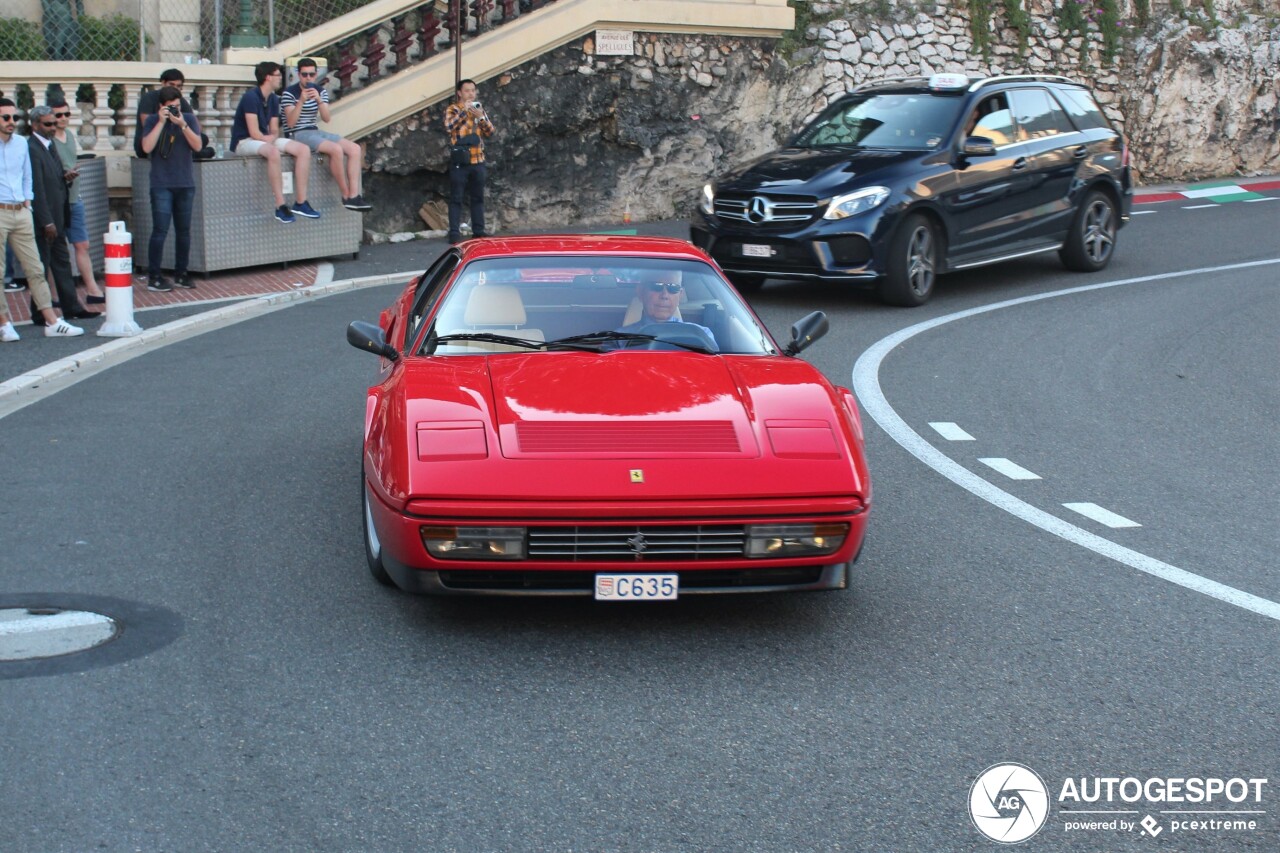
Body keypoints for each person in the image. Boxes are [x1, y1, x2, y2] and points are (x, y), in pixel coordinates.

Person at [0, 99, 84, 341]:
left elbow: (28, 177)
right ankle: (4, 323)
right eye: (5, 118)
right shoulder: (27, 144)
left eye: (14, 118)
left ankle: (51, 321)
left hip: (21, 212)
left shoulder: (20, 145)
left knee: (36, 269)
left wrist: (27, 201)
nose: (11, 123)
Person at [28, 105, 97, 323]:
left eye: (54, 123)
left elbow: (53, 179)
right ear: (35, 125)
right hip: (45, 219)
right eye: (48, 124)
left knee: (61, 262)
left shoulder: (50, 146)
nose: (52, 127)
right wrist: (46, 221)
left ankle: (72, 307)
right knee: (42, 265)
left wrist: (65, 175)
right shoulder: (32, 148)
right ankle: (40, 311)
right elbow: (37, 188)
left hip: (58, 214)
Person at [230, 61, 319, 224]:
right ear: (268, 77)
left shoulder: (272, 99)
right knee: (273, 152)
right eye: (278, 75)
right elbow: (254, 132)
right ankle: (280, 205)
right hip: (244, 141)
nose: (280, 79)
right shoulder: (250, 97)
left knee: (303, 150)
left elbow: (274, 129)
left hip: (265, 140)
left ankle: (301, 202)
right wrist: (270, 140)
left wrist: (271, 138)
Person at [280, 58, 370, 211]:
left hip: (315, 130)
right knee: (335, 150)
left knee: (355, 149)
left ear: (316, 75)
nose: (308, 78)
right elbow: (290, 123)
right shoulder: (290, 93)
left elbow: (327, 118)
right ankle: (346, 195)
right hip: (298, 133)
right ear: (298, 74)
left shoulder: (320, 91)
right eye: (304, 74)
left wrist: (320, 101)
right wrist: (301, 101)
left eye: (311, 74)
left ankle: (354, 196)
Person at [140, 86, 203, 291]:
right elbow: (146, 147)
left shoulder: (188, 119)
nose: (174, 110)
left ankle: (181, 273)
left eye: (176, 106)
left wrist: (182, 124)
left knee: (183, 231)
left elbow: (198, 146)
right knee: (160, 230)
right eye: (169, 107)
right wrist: (161, 121)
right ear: (161, 106)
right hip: (162, 183)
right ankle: (154, 276)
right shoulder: (151, 120)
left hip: (185, 182)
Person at [49, 96, 106, 304]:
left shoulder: (70, 136)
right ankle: (53, 295)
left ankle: (92, 289)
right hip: (56, 201)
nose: (63, 118)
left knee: (82, 244)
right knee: (55, 249)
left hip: (74, 198)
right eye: (58, 115)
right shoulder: (48, 140)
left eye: (66, 114)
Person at [443, 78, 495, 244]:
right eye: (467, 91)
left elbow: (490, 131)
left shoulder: (479, 109)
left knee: (478, 197)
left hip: (478, 160)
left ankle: (478, 231)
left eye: (473, 90)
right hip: (460, 161)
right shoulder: (453, 109)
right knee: (456, 197)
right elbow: (450, 128)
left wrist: (480, 117)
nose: (471, 94)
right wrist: (465, 112)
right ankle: (454, 232)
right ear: (460, 93)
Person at [615, 270, 716, 346]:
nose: (665, 295)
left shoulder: (701, 335)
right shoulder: (618, 340)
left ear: (680, 295)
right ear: (641, 292)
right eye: (656, 286)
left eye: (673, 288)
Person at [134, 69, 193, 159]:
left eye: (178, 86)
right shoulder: (150, 98)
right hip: (151, 142)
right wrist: (162, 120)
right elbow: (146, 124)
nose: (174, 88)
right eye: (171, 84)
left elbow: (195, 125)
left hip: (174, 139)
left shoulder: (180, 101)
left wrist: (181, 123)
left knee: (203, 139)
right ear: (163, 83)